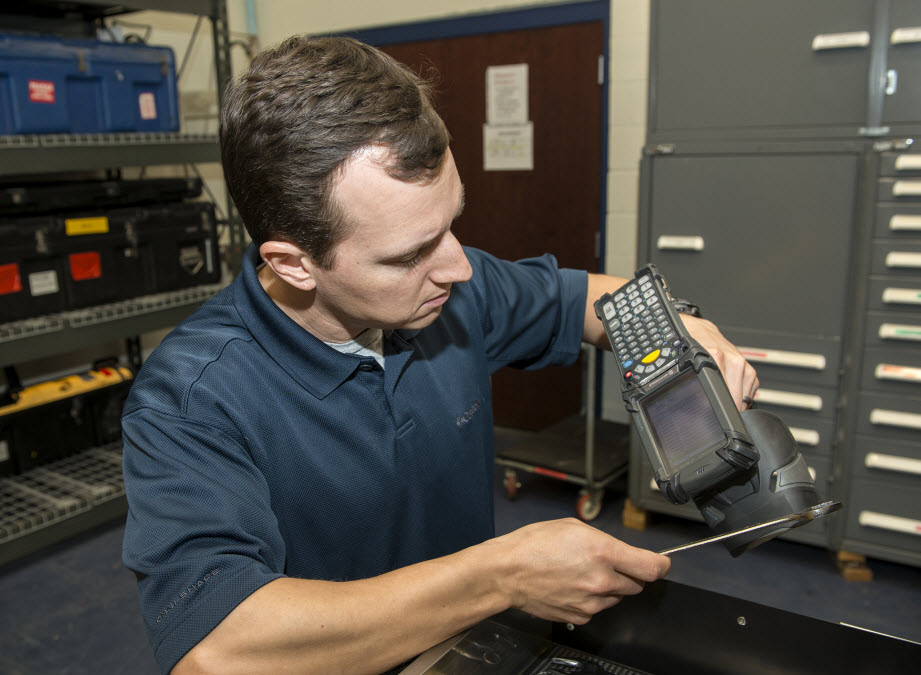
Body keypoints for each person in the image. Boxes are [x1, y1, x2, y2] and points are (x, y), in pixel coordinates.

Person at [121, 35, 759, 674]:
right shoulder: (191, 399)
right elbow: (219, 653)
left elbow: (592, 301)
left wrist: (686, 333)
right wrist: (499, 579)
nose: (456, 266)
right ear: (294, 263)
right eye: (407, 255)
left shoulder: (448, 293)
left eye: (452, 222)